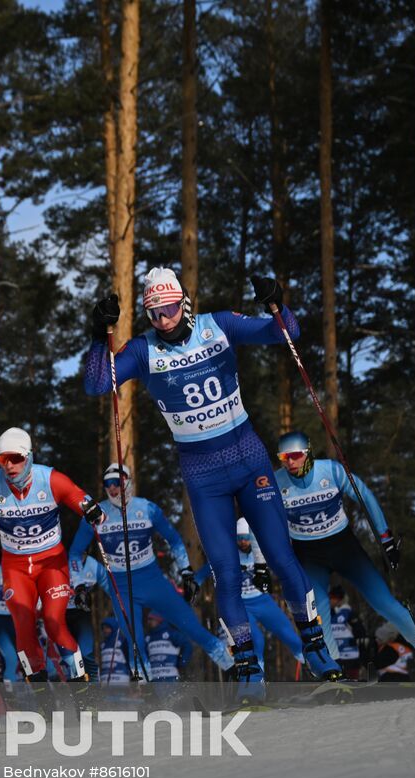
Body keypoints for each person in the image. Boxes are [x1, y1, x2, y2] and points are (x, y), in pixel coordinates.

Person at [85, 268, 344, 698]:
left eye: (168, 309)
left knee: (281, 558)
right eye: (153, 313)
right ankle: (248, 673)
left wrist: (276, 301)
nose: (163, 320)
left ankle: (319, 653)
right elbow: (97, 383)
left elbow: (286, 334)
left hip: (248, 460)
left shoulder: (218, 325)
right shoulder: (144, 350)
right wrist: (100, 332)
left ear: (183, 303)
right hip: (204, 476)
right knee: (226, 572)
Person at [272, 430, 415, 681]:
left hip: (344, 547)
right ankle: (333, 670)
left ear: (308, 453)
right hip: (308, 554)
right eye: (284, 457)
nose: (290, 462)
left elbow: (366, 497)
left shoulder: (332, 471)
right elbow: (263, 521)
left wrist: (386, 539)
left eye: (295, 455)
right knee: (319, 610)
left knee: (384, 602)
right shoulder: (277, 482)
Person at [0, 427, 105, 684]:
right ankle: (41, 694)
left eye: (16, 458)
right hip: (16, 567)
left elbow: (81, 499)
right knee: (23, 627)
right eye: (2, 459)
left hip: (51, 563)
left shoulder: (51, 479)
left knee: (54, 623)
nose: (9, 465)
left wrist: (93, 512)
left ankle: (81, 688)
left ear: (29, 456)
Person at [67, 463, 235, 677]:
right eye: (107, 484)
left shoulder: (146, 508)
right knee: (134, 642)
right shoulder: (96, 514)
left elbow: (174, 540)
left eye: (116, 482)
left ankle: (235, 672)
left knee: (191, 626)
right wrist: (79, 585)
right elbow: (75, 553)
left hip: (153, 581)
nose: (112, 488)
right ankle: (146, 692)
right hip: (121, 588)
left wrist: (186, 572)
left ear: (128, 483)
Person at [197, 518, 304, 677]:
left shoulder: (261, 548)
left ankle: (317, 669)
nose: (243, 542)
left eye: (246, 538)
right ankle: (256, 683)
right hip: (241, 605)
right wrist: (195, 581)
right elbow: (206, 570)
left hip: (263, 601)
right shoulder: (229, 553)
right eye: (239, 539)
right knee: (256, 641)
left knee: (292, 638)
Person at [328, 588, 368, 681]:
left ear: (340, 599)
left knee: (352, 679)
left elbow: (360, 633)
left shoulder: (348, 613)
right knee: (337, 680)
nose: (331, 600)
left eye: (334, 598)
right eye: (330, 597)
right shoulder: (328, 614)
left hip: (351, 655)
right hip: (336, 655)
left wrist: (362, 651)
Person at [143, 609, 192, 682]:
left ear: (158, 620)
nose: (148, 622)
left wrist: (182, 662)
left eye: (151, 619)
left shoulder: (171, 634)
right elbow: (145, 656)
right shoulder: (148, 638)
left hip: (170, 678)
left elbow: (187, 645)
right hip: (155, 679)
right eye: (148, 620)